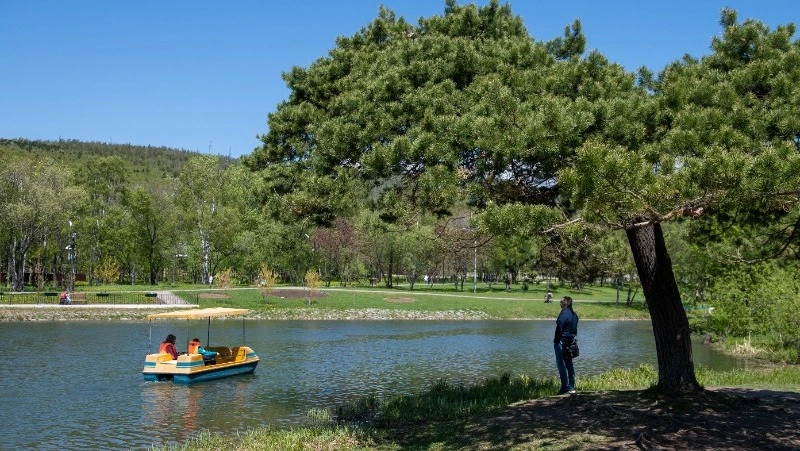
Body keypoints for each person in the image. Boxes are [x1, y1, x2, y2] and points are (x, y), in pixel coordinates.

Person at [553, 296, 579, 394]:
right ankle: (571, 387)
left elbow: (559, 328)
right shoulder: (574, 314)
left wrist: (556, 341)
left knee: (561, 365)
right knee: (569, 364)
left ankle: (564, 387)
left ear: (565, 303)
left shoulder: (563, 314)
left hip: (562, 343)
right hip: (571, 343)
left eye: (561, 301)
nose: (559, 303)